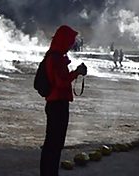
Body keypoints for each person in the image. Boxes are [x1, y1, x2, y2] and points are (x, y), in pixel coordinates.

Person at [40, 25, 88, 176]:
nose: (71, 45)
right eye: (69, 41)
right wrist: (76, 73)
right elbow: (61, 82)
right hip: (58, 104)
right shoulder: (56, 59)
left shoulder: (54, 56)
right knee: (55, 144)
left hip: (54, 103)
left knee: (51, 143)